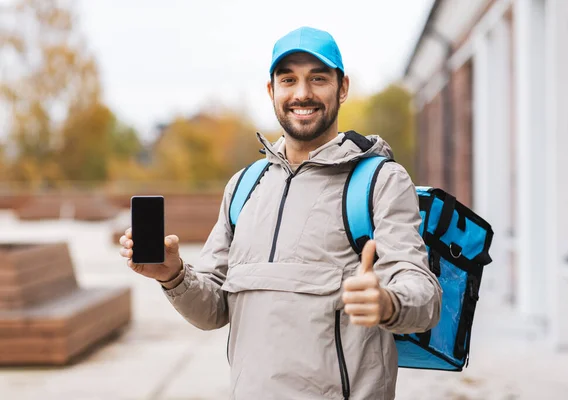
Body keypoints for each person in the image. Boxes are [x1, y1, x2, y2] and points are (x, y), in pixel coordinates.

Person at [119, 26, 442, 400]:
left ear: (342, 88)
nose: (302, 93)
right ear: (272, 91)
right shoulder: (244, 186)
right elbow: (212, 312)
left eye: (317, 79)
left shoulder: (380, 181)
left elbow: (425, 295)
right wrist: (172, 276)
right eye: (288, 79)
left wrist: (388, 302)